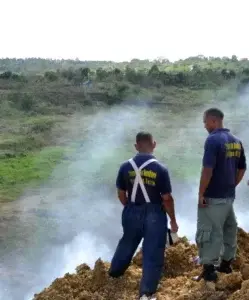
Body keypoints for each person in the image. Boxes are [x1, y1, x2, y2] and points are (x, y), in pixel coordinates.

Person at [108, 131, 178, 300]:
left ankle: (114, 274)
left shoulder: (125, 167)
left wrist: (129, 208)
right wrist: (173, 221)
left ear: (136, 146)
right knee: (153, 251)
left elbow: (121, 193)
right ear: (154, 145)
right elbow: (166, 198)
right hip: (154, 214)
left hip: (132, 211)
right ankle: (147, 293)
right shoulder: (160, 169)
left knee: (127, 242)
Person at [196, 108, 247, 282]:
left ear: (213, 121)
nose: (204, 126)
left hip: (213, 196)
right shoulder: (236, 141)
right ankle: (226, 264)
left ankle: (209, 270)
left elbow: (207, 170)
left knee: (209, 231)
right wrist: (232, 184)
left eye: (205, 122)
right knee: (229, 228)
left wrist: (201, 193)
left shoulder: (213, 140)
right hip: (228, 196)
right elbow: (242, 168)